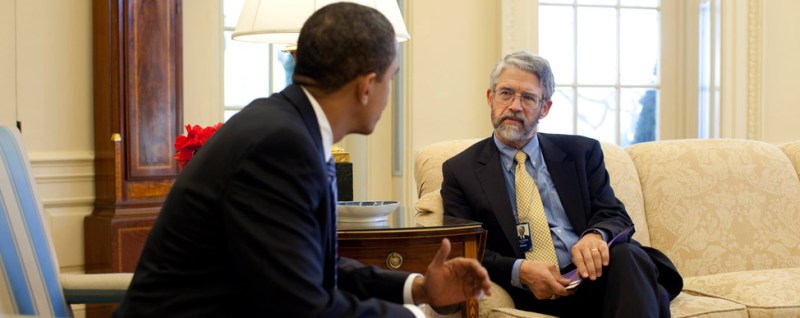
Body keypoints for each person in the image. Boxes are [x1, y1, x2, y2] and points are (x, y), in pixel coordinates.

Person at [114, 3, 491, 317]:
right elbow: (302, 307)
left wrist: (418, 287)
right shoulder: (281, 145)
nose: (387, 91)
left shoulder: (287, 126)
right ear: (366, 86)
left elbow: (311, 271)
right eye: (390, 78)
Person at [441, 51, 682, 317]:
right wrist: (520, 270)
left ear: (545, 108)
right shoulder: (460, 171)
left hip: (594, 278)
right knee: (646, 290)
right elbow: (462, 248)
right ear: (491, 98)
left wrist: (595, 236)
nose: (515, 106)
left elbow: (614, 214)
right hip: (530, 291)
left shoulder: (582, 152)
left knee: (627, 255)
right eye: (506, 93)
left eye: (528, 98)